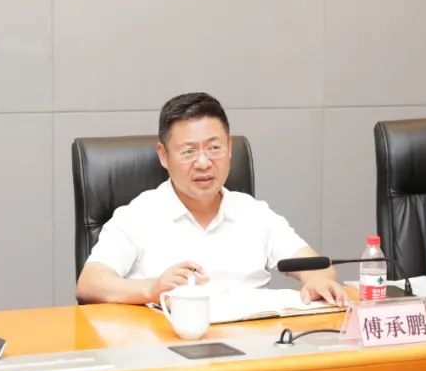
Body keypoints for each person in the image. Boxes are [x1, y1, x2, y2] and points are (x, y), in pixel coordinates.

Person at [76, 92, 344, 306]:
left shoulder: (254, 213)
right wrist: (152, 289)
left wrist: (317, 281)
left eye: (214, 148)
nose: (203, 163)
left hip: (253, 346)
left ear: (229, 147)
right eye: (188, 151)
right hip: (167, 346)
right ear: (163, 155)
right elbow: (89, 283)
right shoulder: (139, 215)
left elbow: (317, 267)